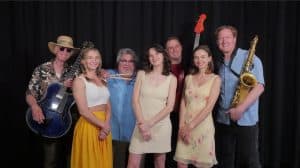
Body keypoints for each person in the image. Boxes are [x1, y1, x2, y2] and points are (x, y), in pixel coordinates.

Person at [214, 25, 265, 168]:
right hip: (224, 119)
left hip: (246, 119)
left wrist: (240, 109)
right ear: (217, 42)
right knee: (225, 161)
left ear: (235, 39)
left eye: (228, 37)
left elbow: (259, 87)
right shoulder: (218, 62)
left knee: (250, 162)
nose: (224, 41)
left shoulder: (250, 57)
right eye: (220, 38)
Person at [25, 35, 79, 168]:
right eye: (62, 48)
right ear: (55, 49)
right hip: (48, 119)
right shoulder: (41, 69)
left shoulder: (75, 72)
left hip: (69, 120)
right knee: (50, 161)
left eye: (68, 50)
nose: (65, 52)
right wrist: (34, 106)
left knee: (71, 159)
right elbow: (29, 93)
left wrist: (76, 87)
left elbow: (87, 87)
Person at [127, 44, 177, 168]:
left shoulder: (172, 79)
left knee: (159, 163)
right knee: (132, 163)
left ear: (164, 55)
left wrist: (149, 124)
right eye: (151, 55)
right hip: (141, 124)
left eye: (157, 54)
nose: (154, 58)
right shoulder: (141, 74)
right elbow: (135, 101)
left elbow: (170, 107)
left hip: (161, 126)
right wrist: (143, 125)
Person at [174, 45, 220, 168]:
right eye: (196, 57)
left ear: (210, 58)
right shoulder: (188, 78)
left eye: (203, 57)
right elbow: (183, 102)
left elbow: (209, 107)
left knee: (202, 164)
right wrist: (181, 128)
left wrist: (190, 126)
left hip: (203, 127)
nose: (199, 60)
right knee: (181, 163)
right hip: (185, 126)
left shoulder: (215, 79)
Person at [70, 47, 113, 168]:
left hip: (105, 127)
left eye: (96, 57)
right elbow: (83, 111)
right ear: (83, 61)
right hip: (89, 126)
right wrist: (103, 125)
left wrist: (106, 125)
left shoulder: (103, 80)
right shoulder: (79, 81)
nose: (94, 60)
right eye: (90, 58)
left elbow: (108, 106)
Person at [106, 48, 138, 168]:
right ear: (118, 63)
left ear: (134, 64)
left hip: (134, 135)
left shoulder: (140, 79)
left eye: (130, 61)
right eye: (123, 61)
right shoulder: (109, 76)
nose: (126, 64)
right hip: (112, 134)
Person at [164, 36, 186, 168]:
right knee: (168, 151)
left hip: (187, 115)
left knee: (184, 152)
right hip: (169, 114)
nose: (174, 50)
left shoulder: (192, 65)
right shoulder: (162, 69)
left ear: (181, 47)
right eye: (170, 48)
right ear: (166, 52)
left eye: (176, 46)